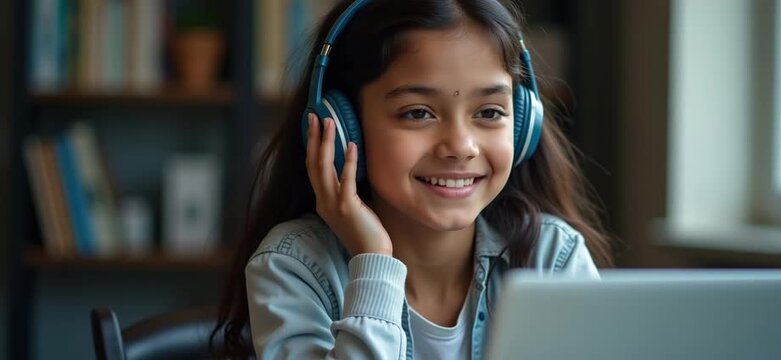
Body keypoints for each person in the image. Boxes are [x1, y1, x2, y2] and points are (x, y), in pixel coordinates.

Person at [212, 0, 613, 359]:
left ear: (523, 124)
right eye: (418, 113)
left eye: (489, 112)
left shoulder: (551, 258)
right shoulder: (294, 266)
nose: (460, 146)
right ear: (342, 126)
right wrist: (374, 263)